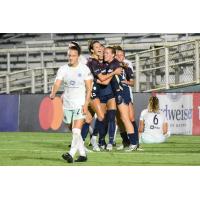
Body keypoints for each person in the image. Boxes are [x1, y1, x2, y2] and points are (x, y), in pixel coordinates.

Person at [50, 44, 93, 163]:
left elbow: (89, 88)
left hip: (80, 103)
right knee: (72, 128)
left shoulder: (84, 69)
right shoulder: (63, 69)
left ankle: (71, 154)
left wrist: (86, 104)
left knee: (76, 131)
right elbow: (57, 83)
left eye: (73, 56)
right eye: (69, 55)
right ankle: (83, 155)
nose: (71, 58)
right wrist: (53, 93)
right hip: (67, 104)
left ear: (78, 56)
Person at [81, 41, 122, 151]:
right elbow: (103, 79)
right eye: (96, 47)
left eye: (100, 46)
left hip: (95, 91)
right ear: (92, 50)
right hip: (91, 92)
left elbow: (104, 77)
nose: (100, 48)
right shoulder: (92, 62)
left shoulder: (99, 61)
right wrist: (114, 72)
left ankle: (81, 143)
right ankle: (94, 139)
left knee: (89, 119)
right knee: (101, 117)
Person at [98, 46, 138, 151]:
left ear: (113, 55)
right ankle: (129, 142)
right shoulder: (115, 64)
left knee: (125, 118)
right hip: (122, 92)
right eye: (104, 53)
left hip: (121, 93)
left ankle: (133, 143)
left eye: (107, 53)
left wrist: (95, 80)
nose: (104, 55)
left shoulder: (113, 65)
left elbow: (105, 81)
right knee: (121, 120)